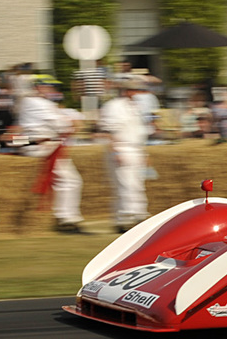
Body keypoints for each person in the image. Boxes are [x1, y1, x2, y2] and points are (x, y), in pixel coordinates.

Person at [18, 76, 84, 234]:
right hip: (41, 145)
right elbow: (61, 124)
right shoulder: (38, 103)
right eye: (50, 87)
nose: (53, 90)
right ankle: (67, 219)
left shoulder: (31, 102)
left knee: (69, 180)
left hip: (39, 143)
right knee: (72, 181)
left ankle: (65, 217)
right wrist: (71, 123)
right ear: (40, 87)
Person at [100, 78, 150, 233]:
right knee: (126, 185)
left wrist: (144, 153)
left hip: (135, 148)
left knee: (137, 184)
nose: (137, 93)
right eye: (134, 90)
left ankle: (137, 215)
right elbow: (108, 130)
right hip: (122, 147)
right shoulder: (114, 106)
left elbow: (138, 132)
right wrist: (115, 150)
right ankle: (127, 218)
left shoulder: (134, 107)